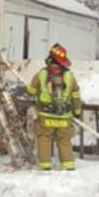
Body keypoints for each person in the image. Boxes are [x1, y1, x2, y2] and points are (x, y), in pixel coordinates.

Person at [26, 43, 82, 171]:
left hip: (45, 116)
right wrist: (77, 111)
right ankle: (68, 165)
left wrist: (34, 91)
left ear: (50, 58)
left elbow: (31, 90)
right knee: (64, 140)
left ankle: (45, 166)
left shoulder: (42, 73)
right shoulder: (69, 76)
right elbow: (76, 94)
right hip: (64, 116)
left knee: (44, 139)